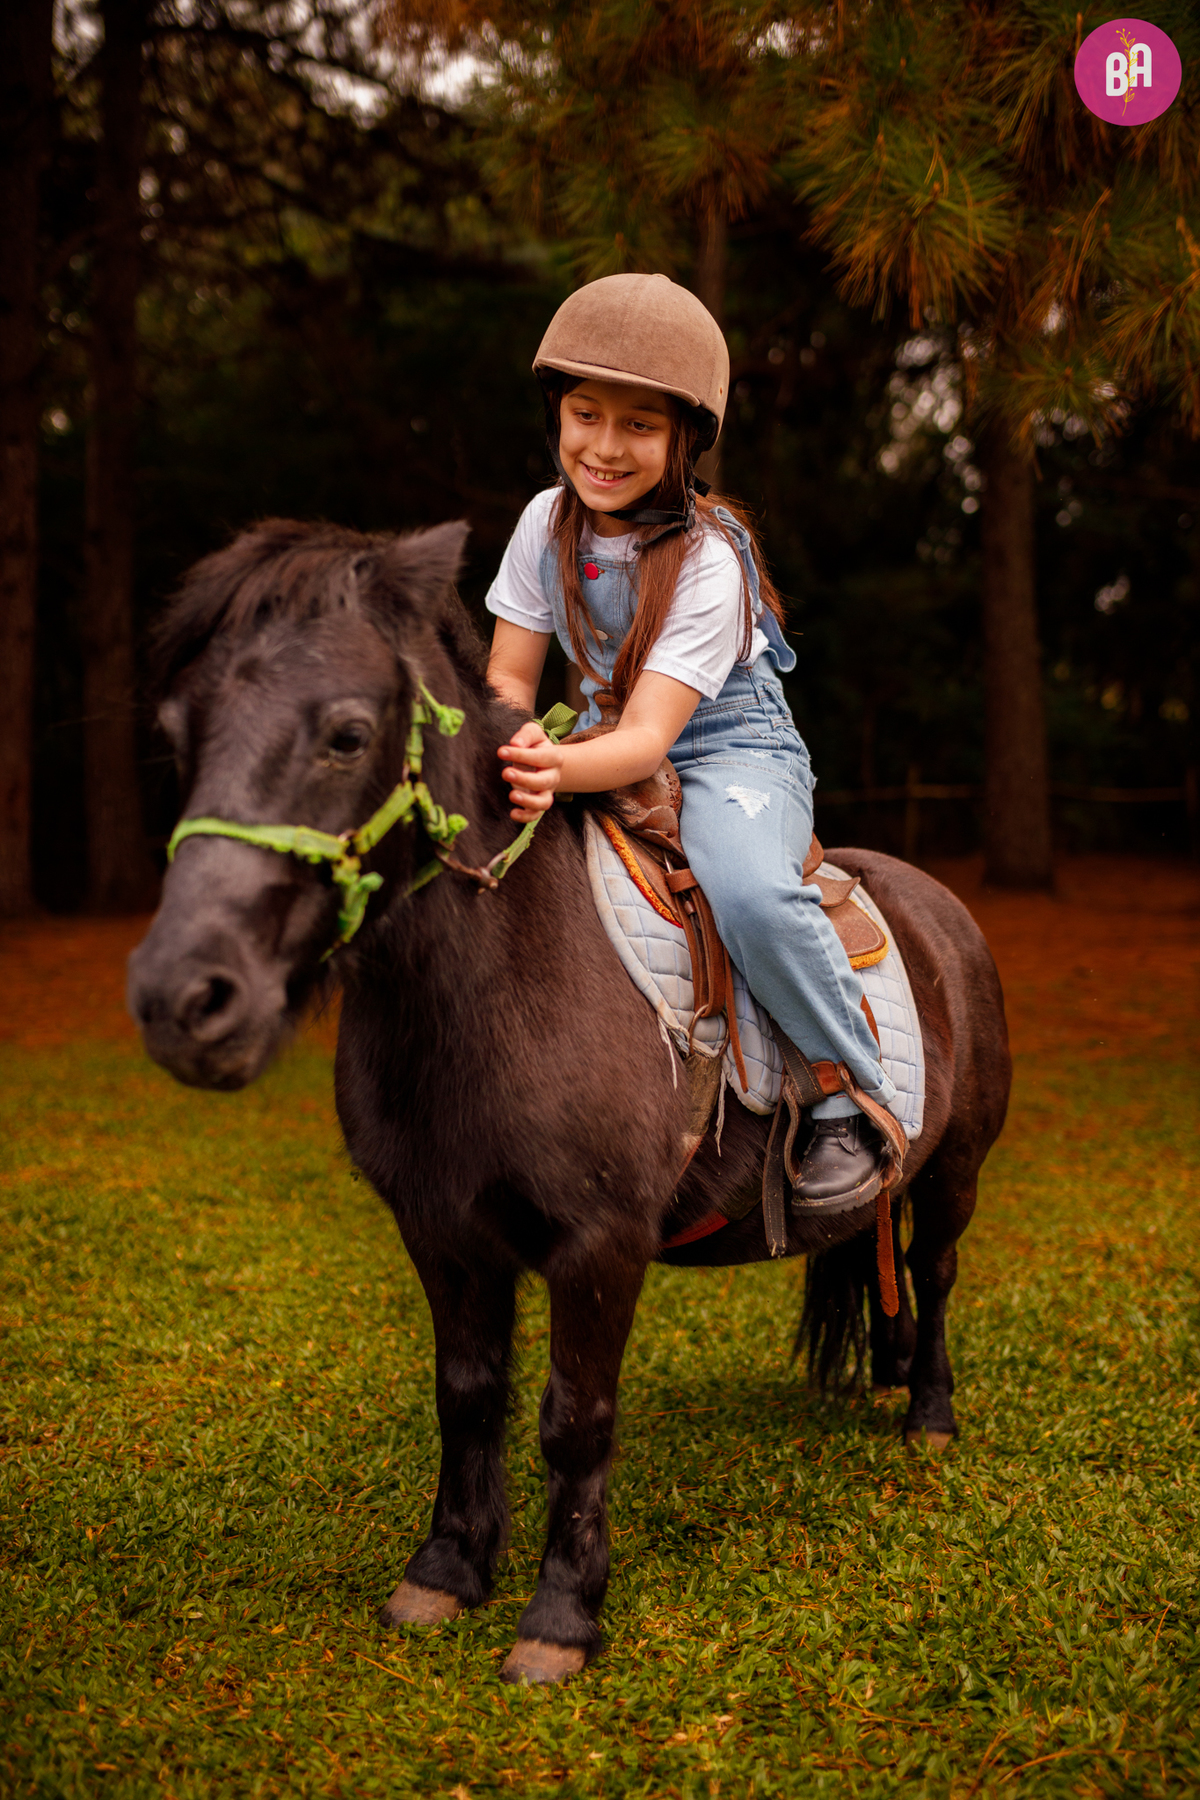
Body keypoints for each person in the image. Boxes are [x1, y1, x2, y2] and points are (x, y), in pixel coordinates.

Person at [484, 272, 898, 1212]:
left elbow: (646, 741)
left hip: (728, 750)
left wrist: (553, 765)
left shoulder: (710, 558)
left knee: (748, 890)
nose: (604, 446)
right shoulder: (542, 523)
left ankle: (848, 1095)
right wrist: (509, 742)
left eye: (639, 426)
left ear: (684, 440)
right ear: (557, 413)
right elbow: (508, 677)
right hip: (598, 739)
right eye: (585, 415)